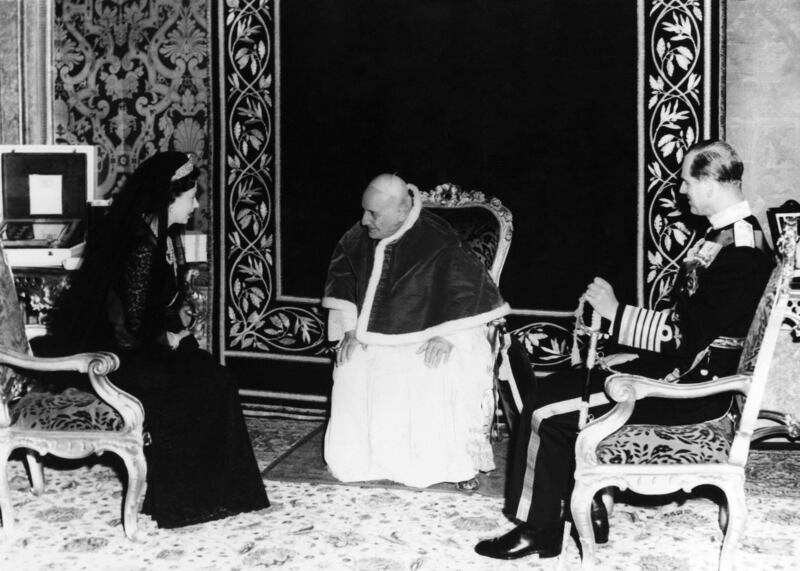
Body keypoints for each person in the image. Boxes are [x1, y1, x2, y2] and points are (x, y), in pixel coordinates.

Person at [475, 140, 774, 560]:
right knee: (555, 383)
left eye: (687, 181)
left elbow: (687, 337)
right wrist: (636, 356)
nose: (682, 191)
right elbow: (699, 324)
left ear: (709, 181)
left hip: (693, 393)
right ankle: (583, 503)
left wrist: (617, 314)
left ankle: (538, 530)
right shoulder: (726, 234)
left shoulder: (741, 251)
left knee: (545, 411)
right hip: (683, 369)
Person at [48, 152, 269, 528]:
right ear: (168, 198)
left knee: (217, 379)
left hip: (143, 348)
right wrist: (167, 335)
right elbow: (129, 327)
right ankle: (180, 499)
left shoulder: (161, 236)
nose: (196, 204)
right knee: (195, 386)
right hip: (118, 357)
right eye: (191, 197)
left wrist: (173, 320)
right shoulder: (138, 246)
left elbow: (151, 305)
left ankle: (214, 490)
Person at [322, 173, 510, 488]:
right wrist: (351, 329)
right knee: (351, 364)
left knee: (433, 369)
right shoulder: (357, 236)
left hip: (426, 338)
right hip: (373, 339)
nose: (364, 220)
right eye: (364, 210)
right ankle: (365, 462)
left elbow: (469, 293)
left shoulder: (437, 237)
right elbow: (343, 282)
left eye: (373, 214)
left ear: (400, 210)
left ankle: (437, 468)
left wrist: (448, 335)